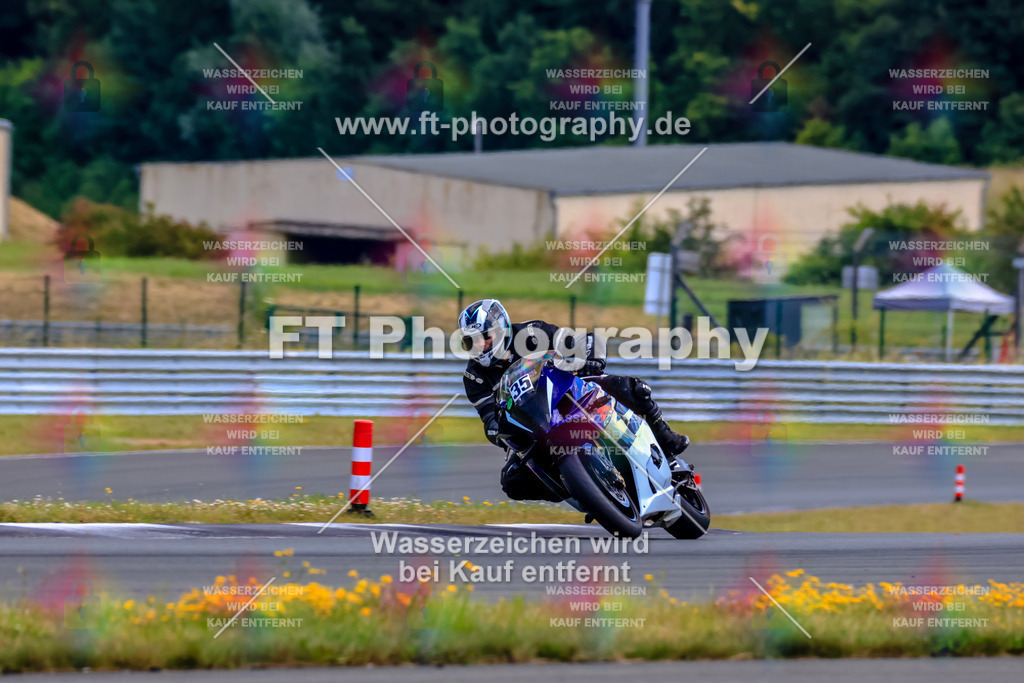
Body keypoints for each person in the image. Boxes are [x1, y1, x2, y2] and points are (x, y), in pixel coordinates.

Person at [458, 298, 689, 502]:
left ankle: (666, 439)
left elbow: (587, 340)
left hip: (568, 392)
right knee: (512, 483)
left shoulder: (532, 333)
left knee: (633, 388)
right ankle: (581, 489)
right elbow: (489, 420)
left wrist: (592, 360)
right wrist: (499, 433)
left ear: (499, 329)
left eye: (483, 338)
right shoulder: (474, 377)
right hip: (530, 428)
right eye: (471, 342)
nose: (479, 346)